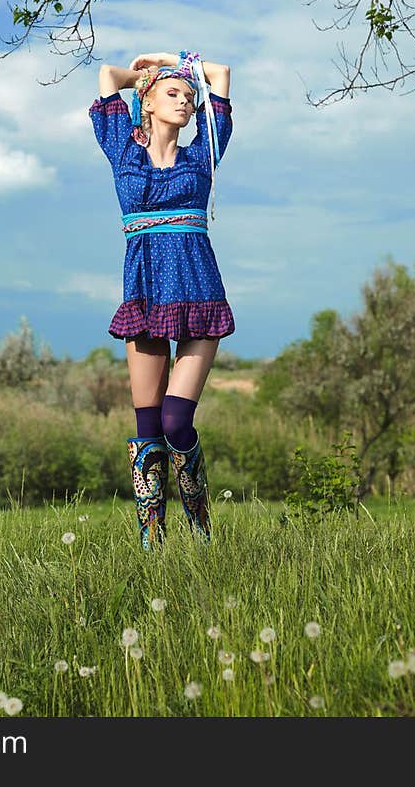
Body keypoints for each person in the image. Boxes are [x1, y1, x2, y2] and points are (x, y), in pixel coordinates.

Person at [88, 49, 234, 550]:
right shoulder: (122, 150)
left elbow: (220, 74)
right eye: (175, 95)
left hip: (199, 295)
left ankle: (201, 529)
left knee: (176, 421)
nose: (187, 102)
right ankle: (152, 542)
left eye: (190, 98)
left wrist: (179, 65)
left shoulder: (202, 154)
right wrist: (147, 76)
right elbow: (108, 75)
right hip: (145, 295)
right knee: (147, 423)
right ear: (146, 103)